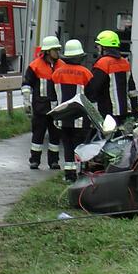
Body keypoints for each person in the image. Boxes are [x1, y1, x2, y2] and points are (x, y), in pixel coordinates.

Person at [50, 39, 94, 182]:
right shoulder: (86, 73)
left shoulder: (57, 73)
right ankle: (80, 174)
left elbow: (52, 97)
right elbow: (92, 99)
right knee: (80, 147)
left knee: (67, 146)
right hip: (81, 119)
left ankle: (69, 175)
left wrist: (55, 116)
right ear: (80, 57)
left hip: (63, 118)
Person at [22, 36, 65, 170]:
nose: (57, 52)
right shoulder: (35, 66)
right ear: (47, 51)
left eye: (58, 50)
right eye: (55, 50)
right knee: (38, 135)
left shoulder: (62, 66)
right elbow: (26, 84)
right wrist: (26, 102)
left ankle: (54, 161)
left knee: (55, 137)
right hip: (40, 107)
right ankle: (34, 160)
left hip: (57, 109)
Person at [87, 30, 138, 123]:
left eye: (98, 46)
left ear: (104, 47)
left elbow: (93, 88)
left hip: (107, 112)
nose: (98, 48)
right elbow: (132, 89)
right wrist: (135, 109)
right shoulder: (125, 62)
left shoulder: (103, 63)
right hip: (124, 111)